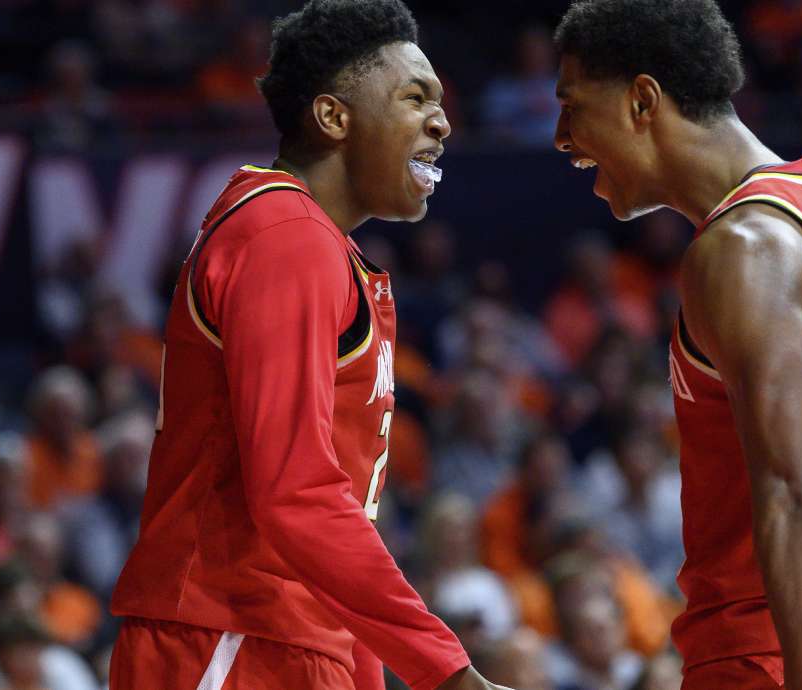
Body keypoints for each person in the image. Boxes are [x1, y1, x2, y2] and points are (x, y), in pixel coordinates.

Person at [109, 2, 504, 690]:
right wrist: (445, 669)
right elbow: (295, 492)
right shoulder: (285, 236)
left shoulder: (312, 242)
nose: (442, 122)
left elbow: (333, 515)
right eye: (416, 99)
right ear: (332, 117)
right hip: (231, 632)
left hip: (287, 636)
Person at [552, 1, 802, 688]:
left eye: (572, 106)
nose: (561, 137)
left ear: (643, 100)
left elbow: (798, 496)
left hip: (784, 662)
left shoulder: (742, 247)